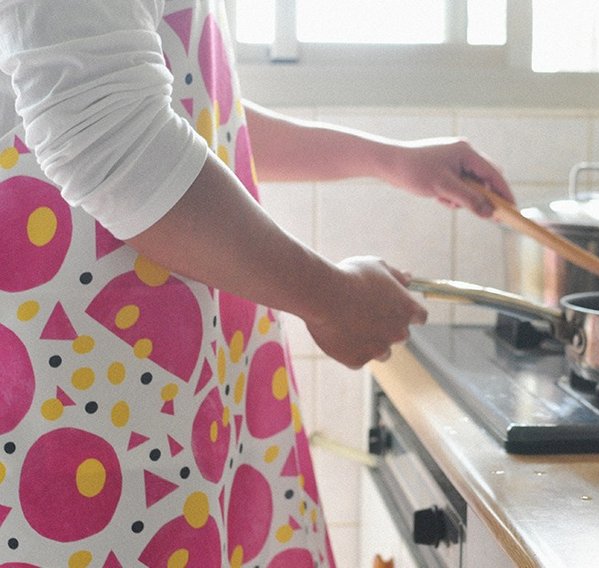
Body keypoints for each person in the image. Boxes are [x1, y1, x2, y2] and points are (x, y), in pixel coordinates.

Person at [0, 0, 513, 566]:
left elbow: (183, 114)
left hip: (165, 390)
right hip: (86, 393)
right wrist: (332, 298)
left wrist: (388, 159)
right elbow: (114, 143)